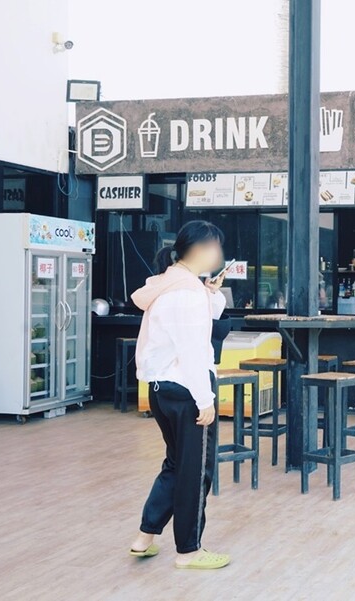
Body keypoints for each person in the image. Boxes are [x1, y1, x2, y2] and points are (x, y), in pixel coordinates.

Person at [128, 220, 231, 570]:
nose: (218, 254)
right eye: (215, 247)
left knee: (176, 464)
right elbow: (191, 351)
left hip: (161, 389)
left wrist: (212, 291)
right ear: (199, 250)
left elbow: (205, 316)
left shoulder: (173, 284)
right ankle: (189, 550)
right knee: (196, 471)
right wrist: (206, 400)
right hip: (188, 389)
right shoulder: (186, 293)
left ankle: (145, 536)